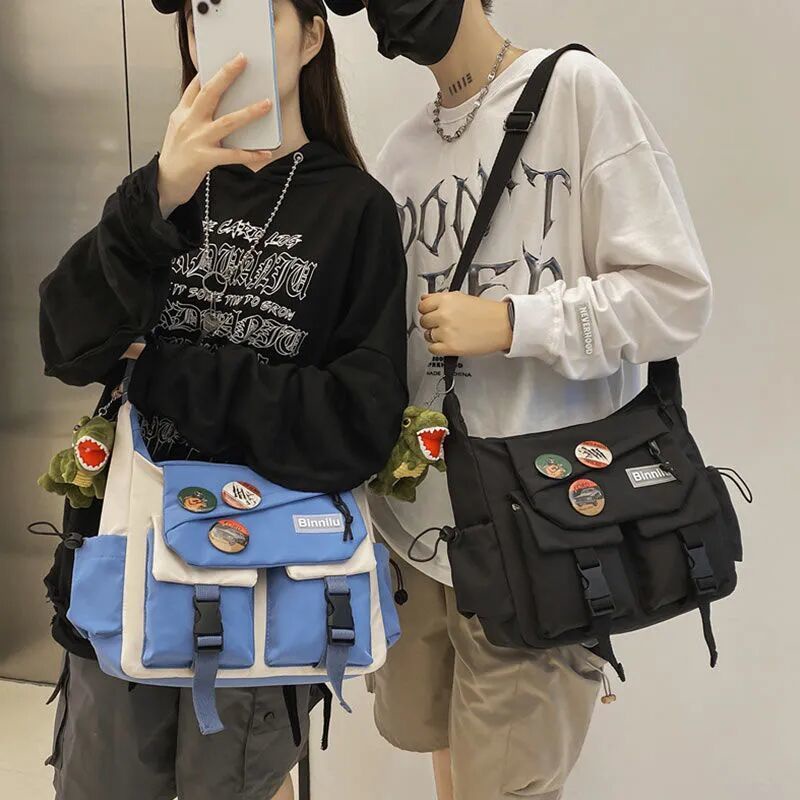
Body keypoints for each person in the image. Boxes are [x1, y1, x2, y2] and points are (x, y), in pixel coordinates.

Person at [322, 1, 713, 799]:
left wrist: (511, 323)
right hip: (414, 532)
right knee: (444, 757)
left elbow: (675, 297)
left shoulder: (575, 92)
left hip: (543, 529)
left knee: (507, 784)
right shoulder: (401, 155)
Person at [38, 1, 408, 798]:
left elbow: (357, 425)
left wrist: (163, 371)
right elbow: (65, 343)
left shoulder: (356, 210)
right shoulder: (162, 193)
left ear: (312, 37)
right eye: (205, 13)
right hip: (124, 559)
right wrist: (159, 195)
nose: (225, 40)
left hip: (267, 578)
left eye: (256, 12)